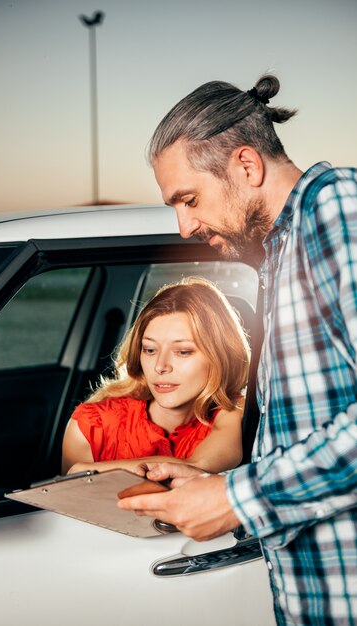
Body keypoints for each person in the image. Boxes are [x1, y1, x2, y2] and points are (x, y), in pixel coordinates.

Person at [118, 74, 357, 625]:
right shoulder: (278, 253)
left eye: (190, 199)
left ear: (247, 167)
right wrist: (219, 486)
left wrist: (236, 500)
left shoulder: (337, 209)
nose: (184, 227)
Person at [62, 277, 250, 476]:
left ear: (221, 356)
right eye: (150, 350)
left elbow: (197, 465)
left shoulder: (235, 412)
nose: (160, 366)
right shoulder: (91, 426)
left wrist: (87, 471)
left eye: (183, 352)